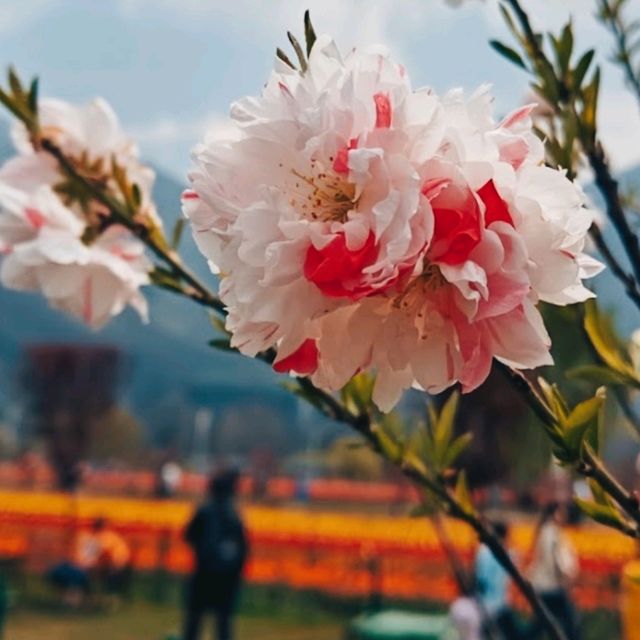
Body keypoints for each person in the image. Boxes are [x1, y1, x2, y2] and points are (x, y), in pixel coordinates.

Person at [183, 468, 248, 640]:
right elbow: (243, 548)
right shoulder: (235, 515)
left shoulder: (205, 511)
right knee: (223, 622)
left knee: (194, 620)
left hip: (203, 572)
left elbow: (188, 535)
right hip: (227, 578)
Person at [527, 502, 581, 640]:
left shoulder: (548, 531)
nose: (565, 515)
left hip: (547, 586)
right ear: (554, 514)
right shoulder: (551, 533)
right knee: (569, 623)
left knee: (542, 623)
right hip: (551, 586)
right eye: (561, 512)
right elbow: (554, 561)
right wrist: (565, 577)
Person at [474, 521, 520, 639]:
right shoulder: (509, 553)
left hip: (484, 603)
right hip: (501, 604)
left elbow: (479, 577)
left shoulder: (483, 551)